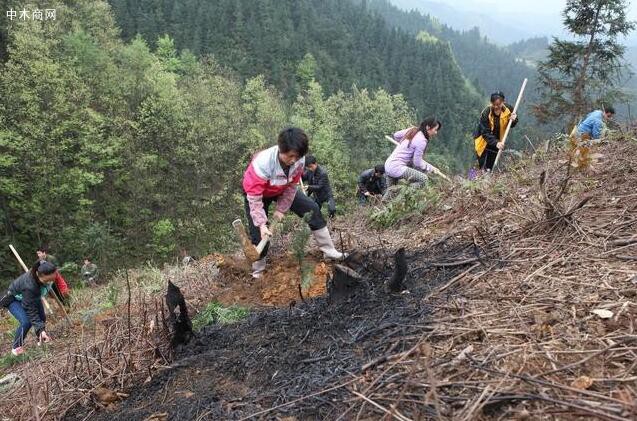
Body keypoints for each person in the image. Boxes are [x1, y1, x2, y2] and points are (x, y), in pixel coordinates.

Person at [243, 128, 347, 278]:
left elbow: (292, 187)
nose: (293, 160)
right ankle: (258, 270)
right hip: (258, 195)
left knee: (312, 209)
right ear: (281, 149)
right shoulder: (263, 163)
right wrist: (261, 225)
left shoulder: (299, 160)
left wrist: (281, 210)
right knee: (259, 235)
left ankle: (329, 251)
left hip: (283, 189)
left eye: (297, 156)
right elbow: (254, 197)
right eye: (290, 156)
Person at [0, 261, 56, 356]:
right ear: (39, 275)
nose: (49, 282)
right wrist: (41, 329)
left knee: (42, 317)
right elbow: (31, 311)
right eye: (47, 281)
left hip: (33, 296)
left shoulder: (47, 271)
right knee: (26, 321)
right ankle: (16, 348)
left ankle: (41, 339)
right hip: (14, 299)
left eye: (52, 279)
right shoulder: (30, 286)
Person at [384, 117, 442, 199]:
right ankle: (399, 193)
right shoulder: (422, 140)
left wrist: (404, 145)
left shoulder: (413, 130)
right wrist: (430, 168)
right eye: (435, 130)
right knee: (424, 179)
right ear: (428, 127)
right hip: (397, 167)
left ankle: (380, 208)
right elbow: (417, 162)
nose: (436, 133)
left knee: (389, 197)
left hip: (388, 164)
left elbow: (396, 135)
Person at [473, 91, 518, 171]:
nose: (496, 107)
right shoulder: (486, 113)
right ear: (491, 102)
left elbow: (511, 124)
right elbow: (485, 133)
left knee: (490, 166)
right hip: (483, 141)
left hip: (498, 141)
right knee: (479, 165)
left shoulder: (509, 110)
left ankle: (487, 181)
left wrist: (514, 120)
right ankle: (471, 180)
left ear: (503, 102)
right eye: (494, 104)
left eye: (498, 104)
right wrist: (496, 143)